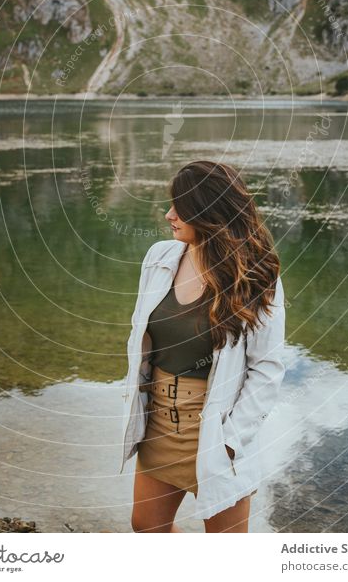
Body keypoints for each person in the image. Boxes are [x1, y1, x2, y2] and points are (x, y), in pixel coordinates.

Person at [120, 160, 286, 533]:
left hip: (216, 433)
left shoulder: (257, 273)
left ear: (209, 211)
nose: (169, 215)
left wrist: (230, 442)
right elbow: (143, 342)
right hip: (160, 427)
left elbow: (268, 368)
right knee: (145, 528)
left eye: (180, 206)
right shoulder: (159, 257)